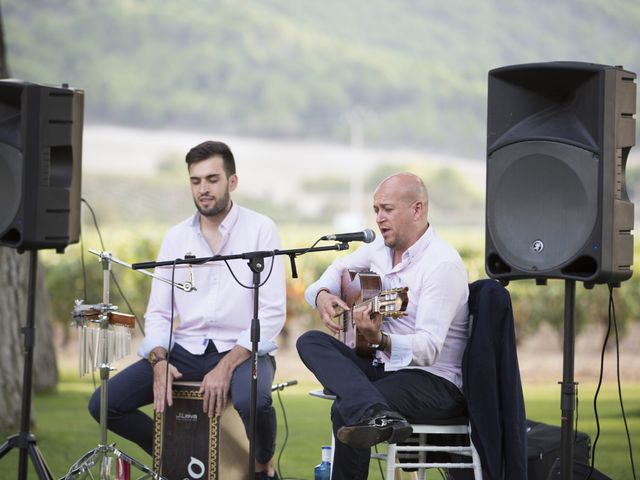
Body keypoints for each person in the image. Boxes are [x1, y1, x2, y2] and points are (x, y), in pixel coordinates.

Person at [88, 140, 286, 480]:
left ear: (232, 182)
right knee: (104, 404)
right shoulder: (175, 238)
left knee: (252, 400)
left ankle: (261, 464)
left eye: (212, 179)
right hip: (186, 350)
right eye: (196, 181)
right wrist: (159, 360)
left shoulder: (260, 230)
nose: (203, 189)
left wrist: (226, 365)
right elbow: (159, 313)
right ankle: (176, 448)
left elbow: (271, 313)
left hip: (243, 349)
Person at [297, 172, 469, 479]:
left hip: (433, 380)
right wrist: (321, 294)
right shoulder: (378, 251)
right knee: (310, 341)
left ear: (417, 209)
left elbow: (429, 348)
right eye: (376, 209)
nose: (378, 218)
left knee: (345, 409)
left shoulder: (442, 264)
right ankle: (374, 410)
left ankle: (368, 409)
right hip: (386, 371)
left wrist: (381, 339)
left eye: (387, 209)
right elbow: (338, 268)